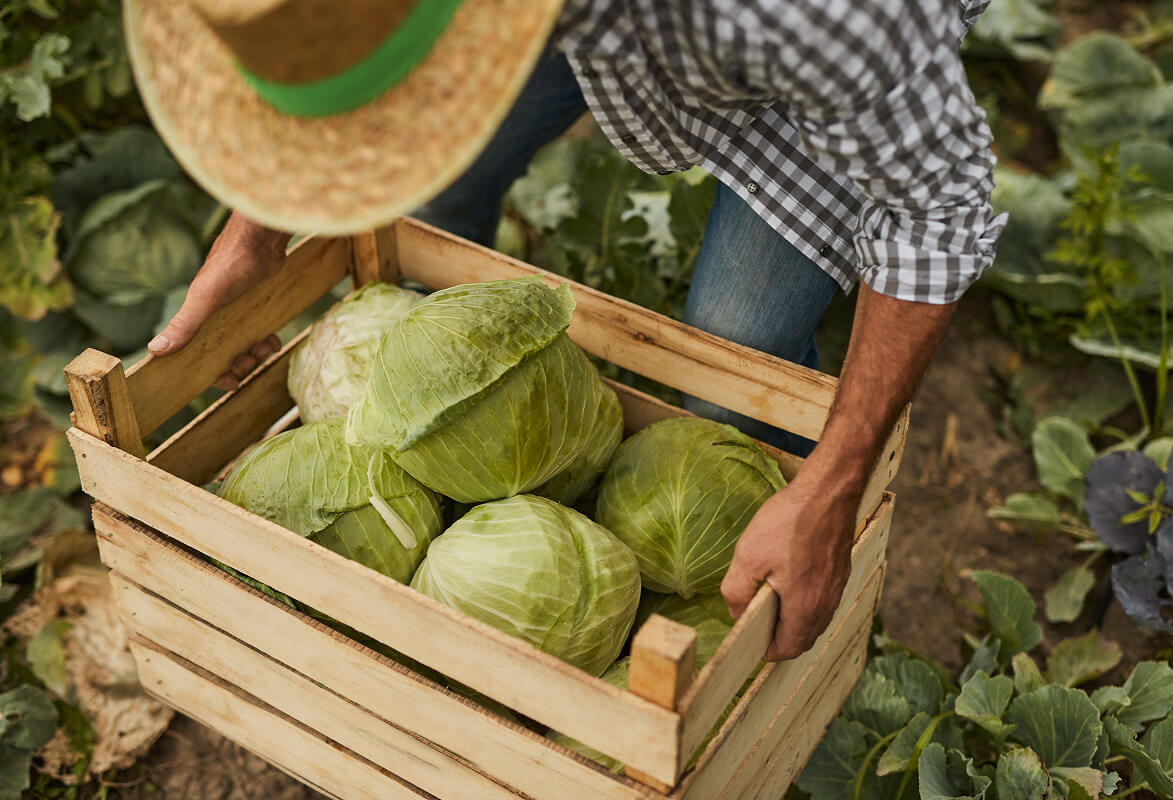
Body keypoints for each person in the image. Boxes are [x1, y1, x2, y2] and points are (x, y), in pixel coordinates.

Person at [127, 0, 1004, 661]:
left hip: (806, 46)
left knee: (734, 352)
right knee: (424, 195)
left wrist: (831, 484)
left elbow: (938, 206)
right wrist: (258, 229)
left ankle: (788, 587)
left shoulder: (800, 17)